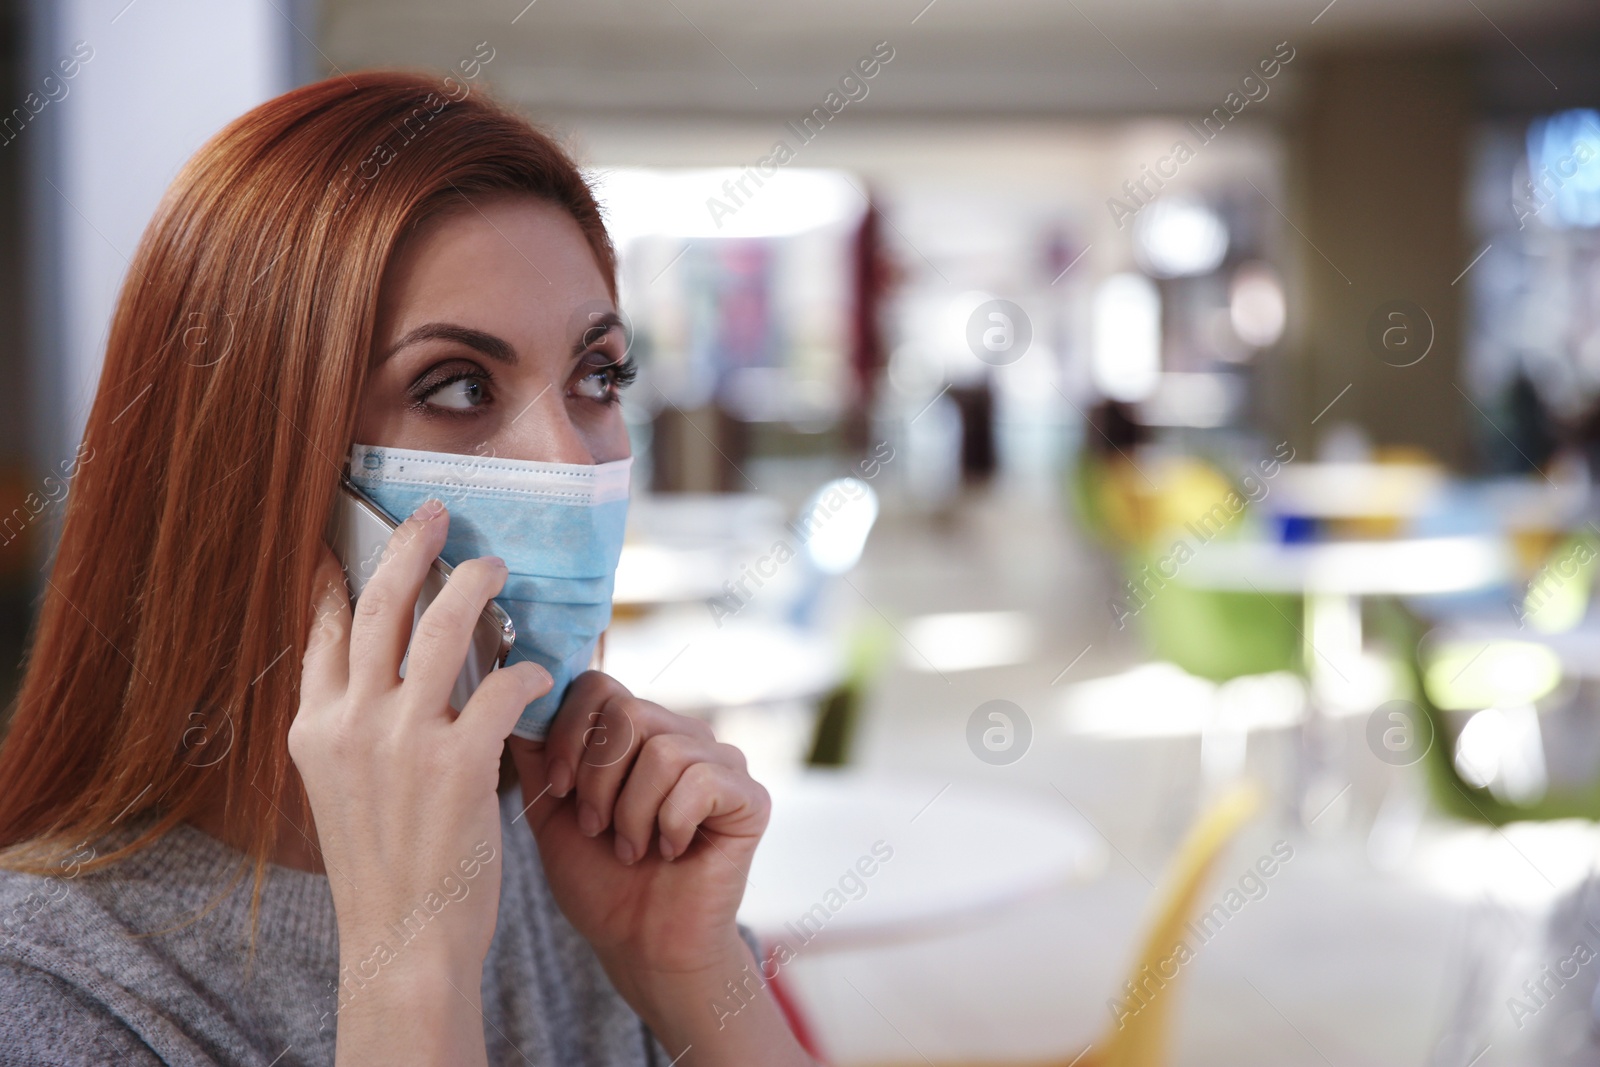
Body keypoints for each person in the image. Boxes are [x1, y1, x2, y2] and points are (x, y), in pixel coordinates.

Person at [0, 71, 813, 1066]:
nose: (571, 464)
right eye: (460, 385)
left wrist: (690, 973)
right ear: (248, 458)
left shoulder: (590, 860)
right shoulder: (50, 984)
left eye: (596, 375)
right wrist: (411, 962)